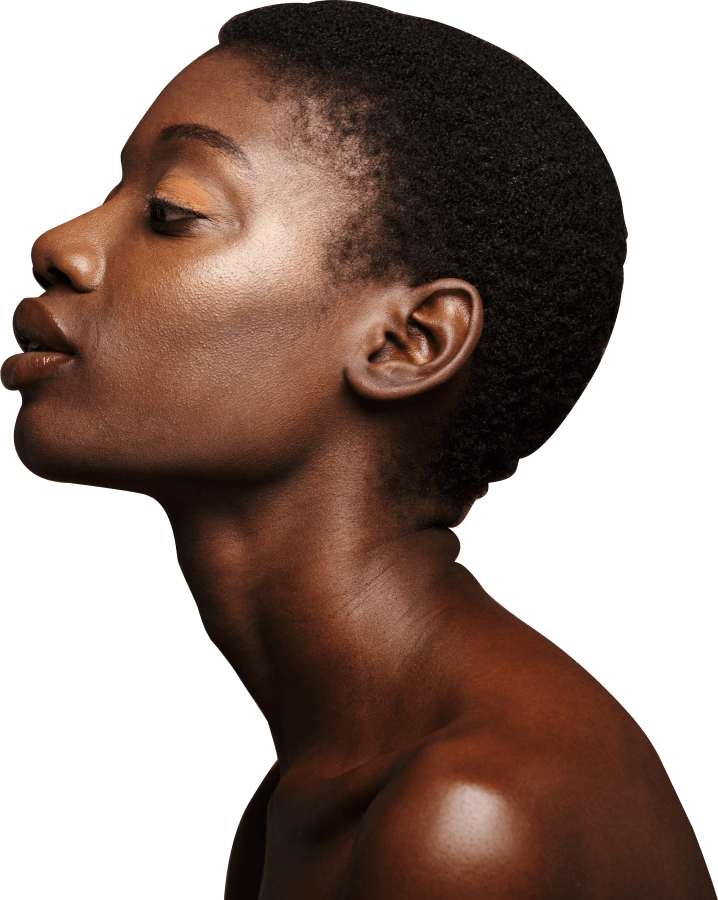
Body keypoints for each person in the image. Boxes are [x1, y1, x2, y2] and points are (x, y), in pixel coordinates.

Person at [3, 3, 713, 898]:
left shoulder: (468, 814)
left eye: (172, 211)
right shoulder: (304, 793)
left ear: (406, 342)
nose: (60, 245)